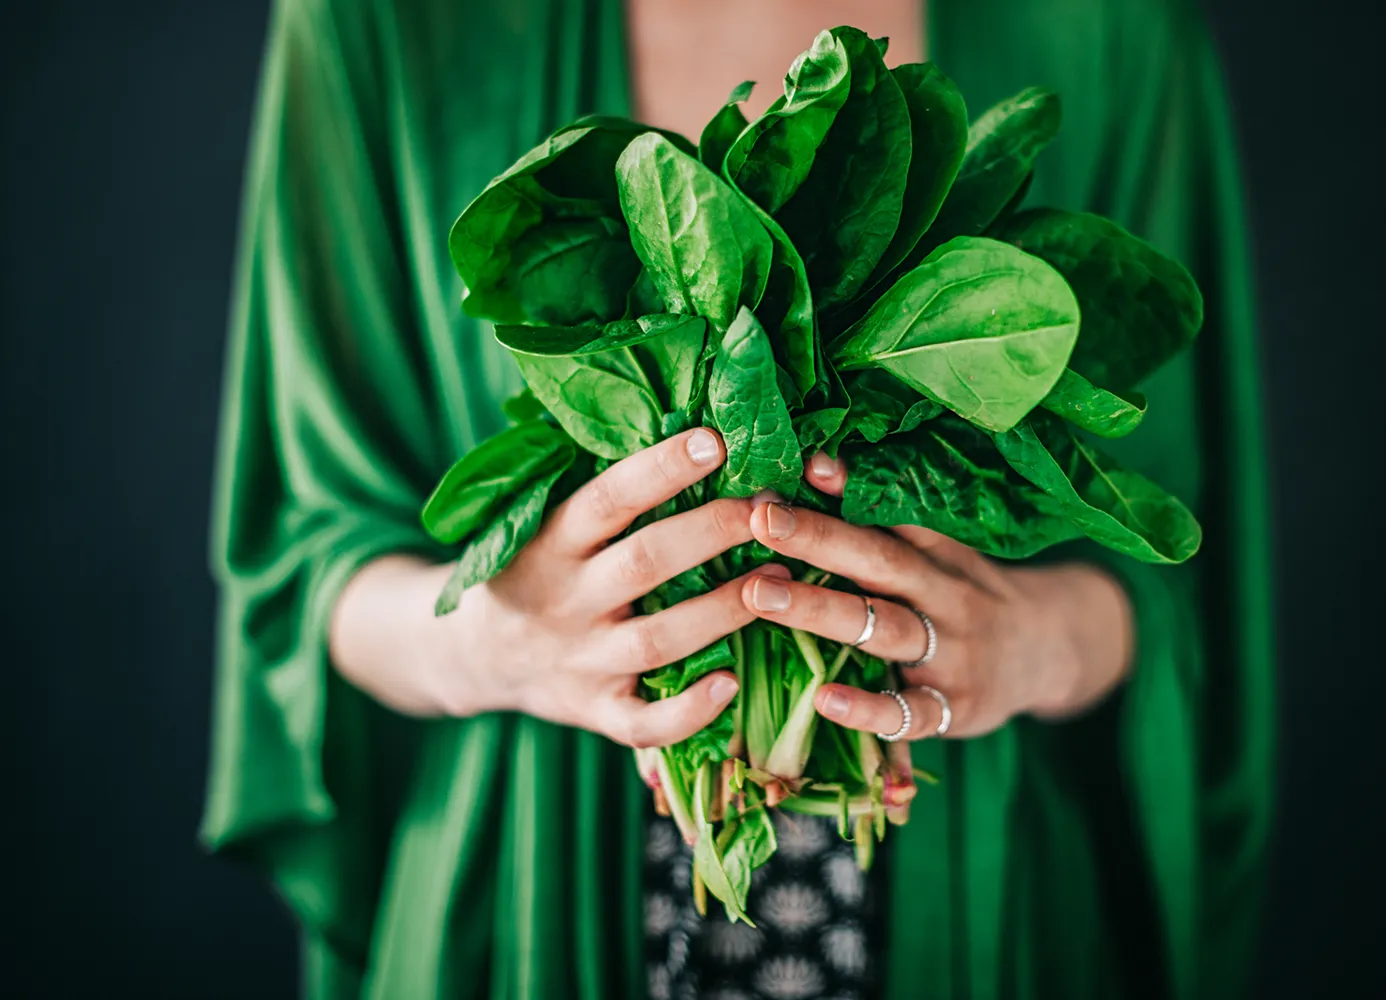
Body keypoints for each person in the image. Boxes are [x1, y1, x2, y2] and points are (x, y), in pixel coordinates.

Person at [203, 0, 1273, 997]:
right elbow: (304, 561)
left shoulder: (1112, 33)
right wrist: (494, 639)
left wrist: (1031, 639)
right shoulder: (379, 24)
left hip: (987, 907)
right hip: (521, 906)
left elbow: (1180, 570)